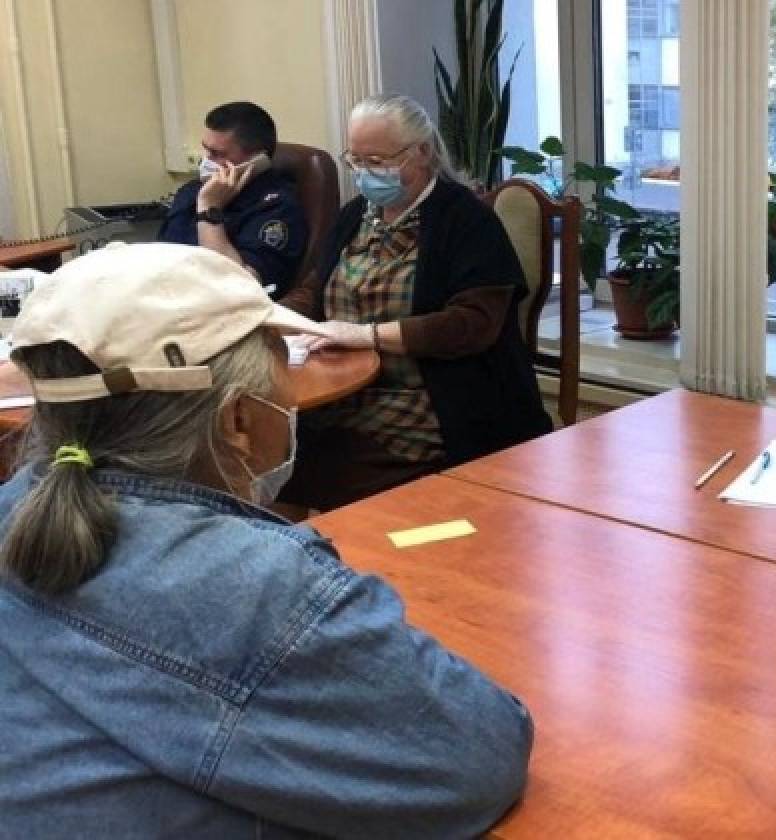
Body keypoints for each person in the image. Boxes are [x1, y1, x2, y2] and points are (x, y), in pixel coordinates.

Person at [0, 243, 533, 836]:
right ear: (237, 423)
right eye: (284, 374)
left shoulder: (15, 514)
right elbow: (482, 748)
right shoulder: (260, 590)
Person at [279, 94, 552, 511]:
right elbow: (316, 289)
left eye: (378, 161)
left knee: (331, 472)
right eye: (356, 159)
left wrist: (366, 336)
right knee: (269, 454)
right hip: (349, 391)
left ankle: (353, 559)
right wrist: (271, 314)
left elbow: (471, 325)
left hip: (434, 401)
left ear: (422, 152)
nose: (365, 173)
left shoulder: (465, 220)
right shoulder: (357, 215)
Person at [158, 101, 308, 298]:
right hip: (167, 298)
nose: (206, 162)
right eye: (206, 150)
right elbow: (162, 256)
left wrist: (209, 210)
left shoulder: (277, 207)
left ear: (256, 160)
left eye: (217, 154)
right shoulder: (191, 191)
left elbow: (238, 288)